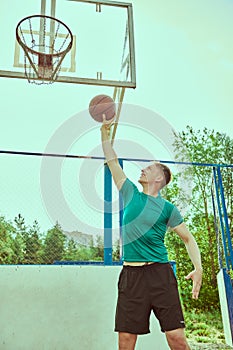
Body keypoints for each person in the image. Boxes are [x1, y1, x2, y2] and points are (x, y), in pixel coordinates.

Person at [100, 118, 203, 350]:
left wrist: (199, 268)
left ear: (159, 178)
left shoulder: (168, 209)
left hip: (160, 274)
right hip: (132, 276)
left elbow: (188, 238)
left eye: (149, 167)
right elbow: (112, 160)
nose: (143, 168)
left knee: (177, 339)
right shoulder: (131, 193)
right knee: (126, 341)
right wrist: (103, 133)